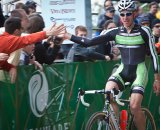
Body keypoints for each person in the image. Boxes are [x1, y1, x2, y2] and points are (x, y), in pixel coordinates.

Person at [63, 0, 160, 129]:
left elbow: (153, 55)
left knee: (134, 106)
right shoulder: (115, 32)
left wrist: (157, 79)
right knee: (108, 93)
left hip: (139, 72)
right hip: (123, 70)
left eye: (128, 14)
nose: (125, 17)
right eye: (122, 14)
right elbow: (89, 42)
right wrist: (68, 35)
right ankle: (116, 126)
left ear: (134, 14)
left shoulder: (144, 31)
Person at [0, 17, 65, 83]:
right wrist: (46, 33)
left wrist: (10, 67)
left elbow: (2, 63)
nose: (23, 31)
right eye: (22, 28)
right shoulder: (8, 40)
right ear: (16, 31)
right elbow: (27, 39)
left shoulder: (7, 39)